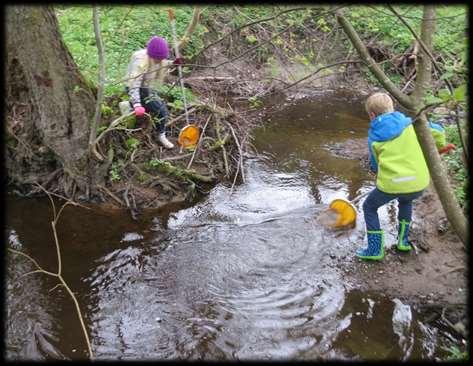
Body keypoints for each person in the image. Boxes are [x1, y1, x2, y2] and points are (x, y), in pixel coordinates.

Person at [357, 92, 455, 260]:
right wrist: (439, 146)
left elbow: (375, 165)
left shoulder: (374, 136)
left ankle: (374, 250)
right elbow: (438, 130)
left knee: (369, 207)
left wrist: (380, 175)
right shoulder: (410, 123)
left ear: (372, 115)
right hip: (417, 183)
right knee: (406, 200)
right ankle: (402, 241)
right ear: (392, 108)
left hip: (392, 184)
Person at [125, 36, 182, 149]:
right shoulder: (140, 62)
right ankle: (161, 135)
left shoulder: (157, 59)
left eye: (161, 59)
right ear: (151, 55)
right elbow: (134, 84)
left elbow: (162, 63)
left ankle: (128, 106)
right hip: (135, 88)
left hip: (146, 87)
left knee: (155, 107)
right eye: (158, 59)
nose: (160, 62)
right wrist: (137, 104)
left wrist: (173, 64)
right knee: (162, 111)